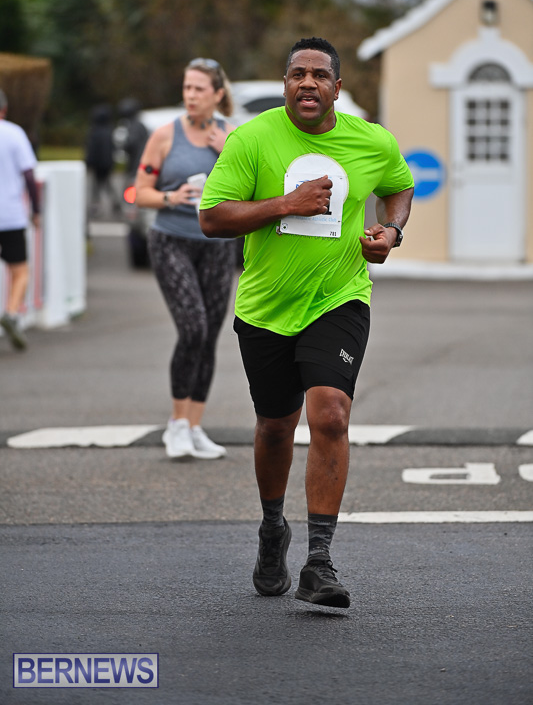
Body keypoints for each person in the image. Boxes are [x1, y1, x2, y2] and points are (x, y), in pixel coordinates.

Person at [199, 37, 414, 608]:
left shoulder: (372, 142)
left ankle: (319, 562)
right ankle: (274, 530)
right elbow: (212, 218)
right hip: (266, 308)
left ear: (338, 88)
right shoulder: (253, 138)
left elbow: (399, 185)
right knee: (275, 426)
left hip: (339, 297)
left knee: (331, 416)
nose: (308, 83)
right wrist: (283, 205)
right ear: (285, 84)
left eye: (320, 75)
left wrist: (391, 233)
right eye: (297, 74)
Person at [135, 58, 236, 461]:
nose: (190, 96)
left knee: (209, 334)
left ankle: (194, 426)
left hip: (217, 243)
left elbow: (254, 185)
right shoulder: (164, 136)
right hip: (171, 240)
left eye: (198, 89)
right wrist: (169, 197)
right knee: (192, 327)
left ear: (217, 95)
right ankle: (175, 425)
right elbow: (139, 191)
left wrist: (226, 150)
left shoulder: (233, 136)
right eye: (187, 87)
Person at [0, 89, 40, 351]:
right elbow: (28, 175)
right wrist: (37, 209)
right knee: (20, 270)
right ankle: (12, 313)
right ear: (4, 109)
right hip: (11, 213)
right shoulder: (14, 133)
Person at [85, 104, 121, 216]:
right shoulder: (110, 131)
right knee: (108, 185)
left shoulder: (94, 132)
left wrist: (89, 162)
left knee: (96, 187)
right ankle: (116, 204)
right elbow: (113, 148)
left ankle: (95, 207)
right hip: (108, 164)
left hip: (97, 165)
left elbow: (92, 150)